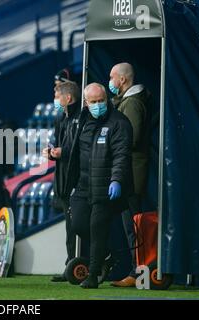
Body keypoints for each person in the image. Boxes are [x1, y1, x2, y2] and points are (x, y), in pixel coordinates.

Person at [65, 83, 133, 288]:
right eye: (93, 102)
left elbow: (122, 154)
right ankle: (109, 251)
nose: (98, 105)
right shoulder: (82, 120)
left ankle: (93, 275)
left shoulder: (119, 122)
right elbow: (75, 151)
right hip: (83, 184)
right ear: (86, 103)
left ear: (106, 99)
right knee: (77, 223)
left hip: (104, 185)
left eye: (101, 101)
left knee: (97, 228)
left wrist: (116, 179)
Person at [108, 63, 151, 287]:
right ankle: (134, 270)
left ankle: (138, 273)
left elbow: (130, 137)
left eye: (111, 77)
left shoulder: (133, 103)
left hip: (132, 173)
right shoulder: (126, 101)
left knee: (133, 225)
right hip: (128, 171)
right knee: (128, 224)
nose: (110, 81)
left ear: (122, 80)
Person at [42, 80, 81, 282]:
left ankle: (77, 264)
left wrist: (61, 152)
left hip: (75, 181)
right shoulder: (62, 119)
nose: (55, 101)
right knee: (69, 228)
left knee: (76, 227)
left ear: (67, 98)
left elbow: (79, 148)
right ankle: (71, 264)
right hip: (63, 181)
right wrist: (51, 153)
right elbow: (58, 145)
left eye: (57, 97)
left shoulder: (80, 118)